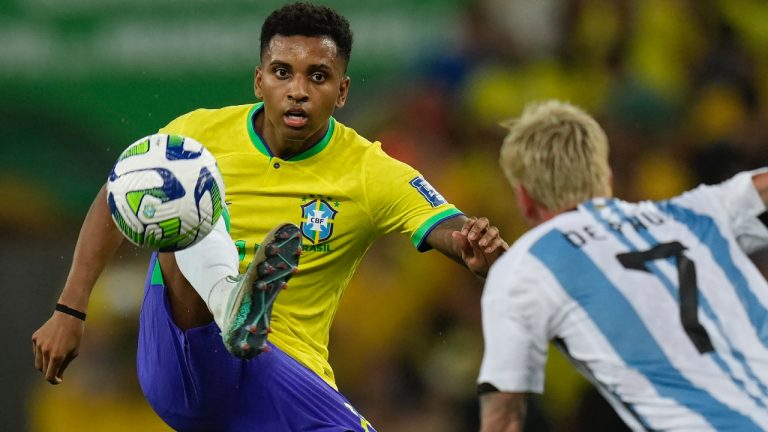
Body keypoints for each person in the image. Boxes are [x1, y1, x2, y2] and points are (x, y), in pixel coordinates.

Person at [31, 2, 508, 431]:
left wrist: (474, 245)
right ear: (259, 81)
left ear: (342, 91)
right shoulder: (198, 136)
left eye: (317, 77)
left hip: (282, 373)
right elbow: (115, 196)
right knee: (186, 180)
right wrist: (70, 309)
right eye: (283, 73)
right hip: (185, 353)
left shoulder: (369, 171)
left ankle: (241, 315)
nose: (297, 91)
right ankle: (228, 302)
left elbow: (445, 224)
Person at [477, 99, 768, 432]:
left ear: (525, 199)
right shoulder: (697, 211)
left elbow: (504, 420)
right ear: (607, 176)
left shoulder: (525, 265)